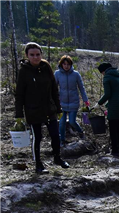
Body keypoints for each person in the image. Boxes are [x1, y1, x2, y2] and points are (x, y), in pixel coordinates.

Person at [14, 42, 70, 174]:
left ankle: (57, 158)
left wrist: (58, 108)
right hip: (33, 111)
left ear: (41, 55)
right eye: (32, 55)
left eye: (38, 54)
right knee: (37, 138)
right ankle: (38, 164)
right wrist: (19, 115)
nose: (35, 57)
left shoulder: (46, 67)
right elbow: (19, 94)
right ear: (27, 55)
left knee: (56, 135)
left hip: (49, 109)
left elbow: (53, 89)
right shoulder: (24, 71)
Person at [54, 55, 90, 146]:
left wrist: (85, 100)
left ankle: (81, 133)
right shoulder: (57, 74)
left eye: (68, 64)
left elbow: (81, 88)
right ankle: (62, 140)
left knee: (72, 121)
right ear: (61, 64)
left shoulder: (76, 74)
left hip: (73, 102)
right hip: (62, 103)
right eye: (64, 64)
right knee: (61, 123)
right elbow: (53, 88)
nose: (66, 66)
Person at [96, 62, 119, 156]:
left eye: (101, 73)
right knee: (118, 127)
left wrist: (99, 103)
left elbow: (108, 94)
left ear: (103, 71)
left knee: (113, 129)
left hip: (115, 106)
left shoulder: (107, 77)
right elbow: (118, 93)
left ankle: (114, 150)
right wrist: (107, 104)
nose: (102, 75)